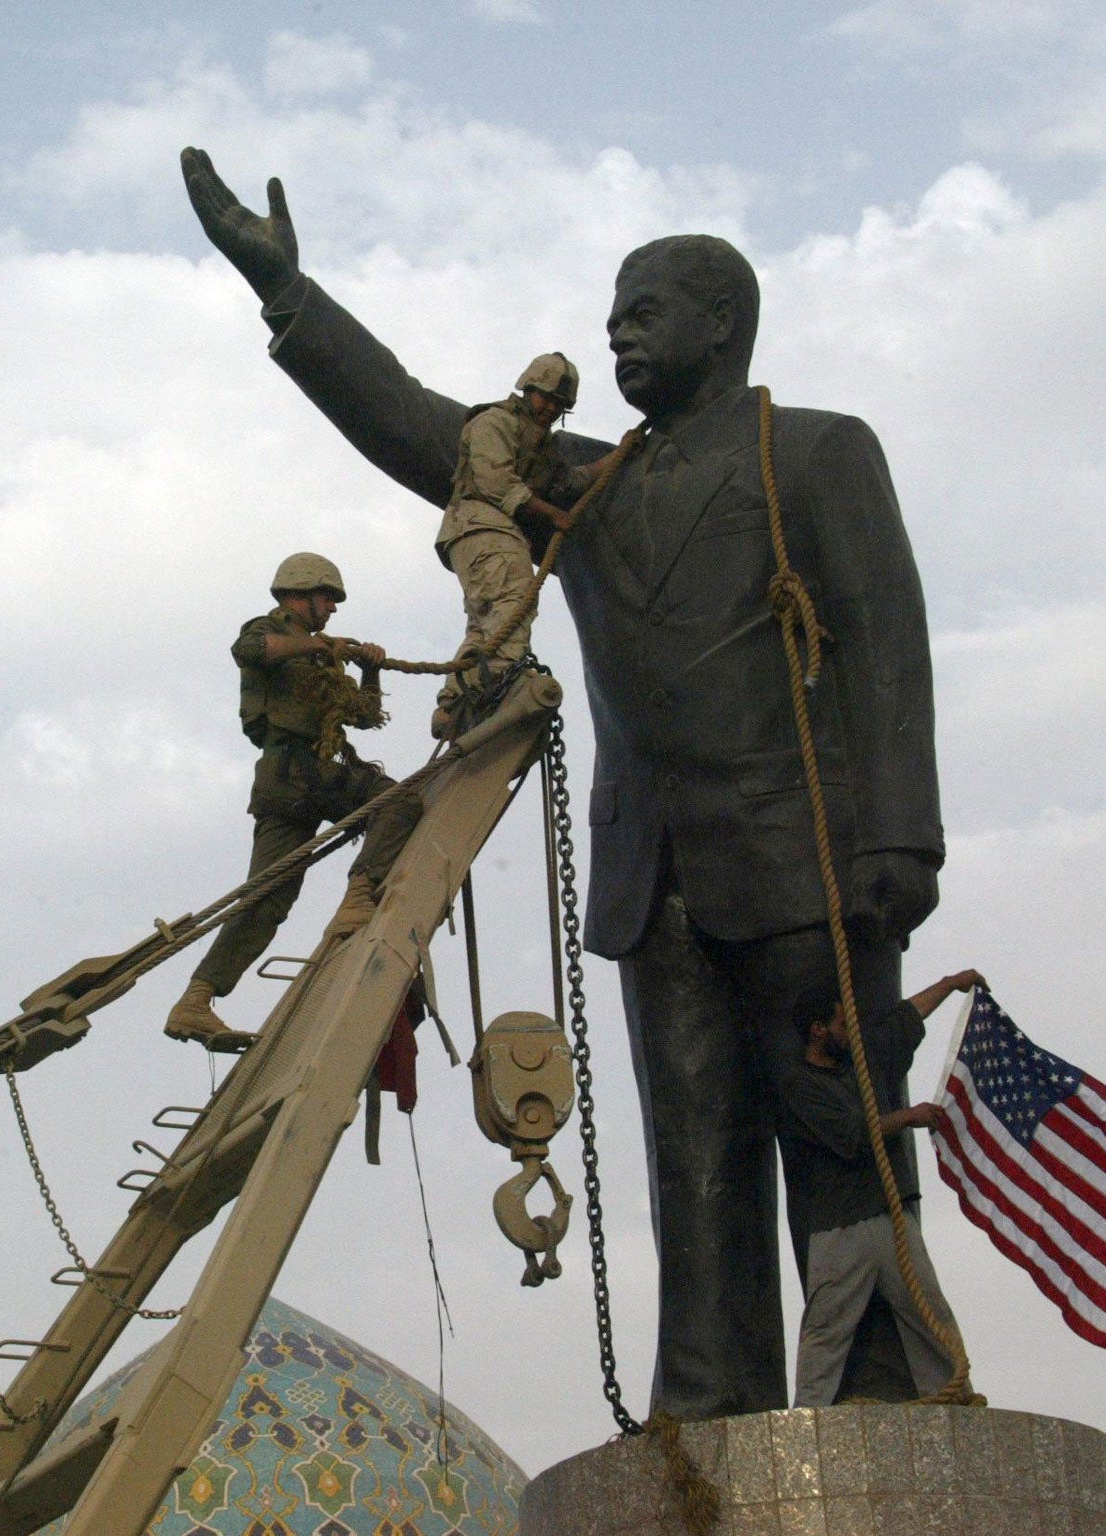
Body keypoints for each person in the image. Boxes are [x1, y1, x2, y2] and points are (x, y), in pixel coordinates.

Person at [182, 148, 945, 1415]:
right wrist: (290, 300)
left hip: (809, 860)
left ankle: (879, 1391)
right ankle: (707, 1405)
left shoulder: (812, 454)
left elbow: (883, 642)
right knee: (689, 1157)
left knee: (836, 1129)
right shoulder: (584, 486)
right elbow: (431, 429)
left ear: (722, 323)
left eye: (643, 316)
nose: (615, 339)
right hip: (656, 880)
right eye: (609, 320)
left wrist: (897, 848)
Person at [165, 552, 423, 1053]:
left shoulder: (318, 653)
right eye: (327, 598)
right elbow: (249, 648)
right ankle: (360, 895)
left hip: (294, 777)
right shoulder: (273, 633)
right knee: (400, 802)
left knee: (266, 898)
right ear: (300, 593)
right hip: (297, 770)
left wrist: (368, 670)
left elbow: (365, 717)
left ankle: (196, 999)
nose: (331, 609)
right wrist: (324, 646)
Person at [778, 968, 980, 1407]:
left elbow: (906, 1020)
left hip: (890, 1217)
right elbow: (850, 1134)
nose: (850, 1030)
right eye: (841, 1024)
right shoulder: (798, 1086)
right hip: (839, 1227)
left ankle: (953, 1401)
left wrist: (948, 984)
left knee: (929, 1313)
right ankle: (808, 1416)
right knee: (827, 1328)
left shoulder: (864, 1059)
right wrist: (908, 1117)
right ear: (817, 1031)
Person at [431, 354, 601, 736]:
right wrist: (554, 516)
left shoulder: (539, 445)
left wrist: (619, 456)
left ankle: (452, 705)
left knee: (484, 622)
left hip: (484, 531)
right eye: (546, 399)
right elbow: (497, 483)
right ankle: (487, 690)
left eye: (560, 406)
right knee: (516, 602)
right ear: (528, 389)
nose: (551, 409)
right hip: (480, 523)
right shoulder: (494, 422)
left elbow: (570, 481)